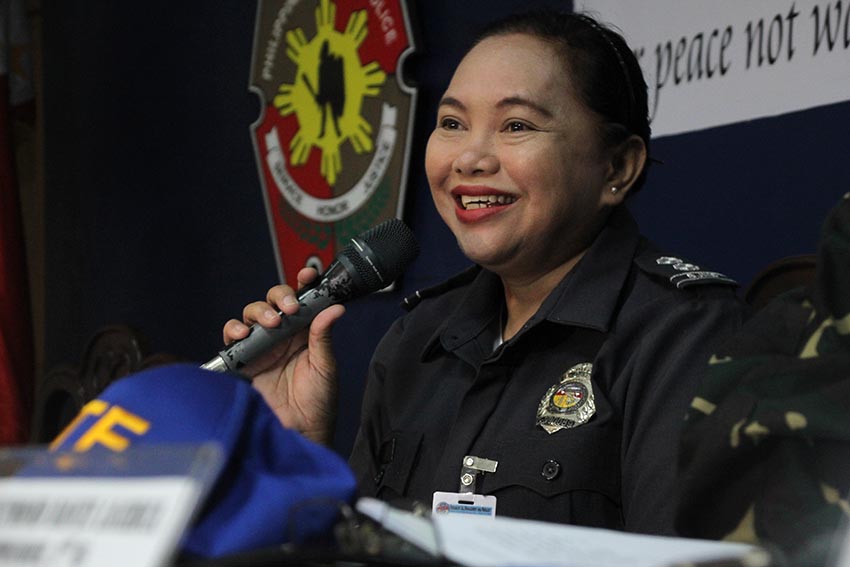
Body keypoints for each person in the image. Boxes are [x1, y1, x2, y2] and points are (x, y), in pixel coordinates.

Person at [222, 9, 747, 535]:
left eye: (516, 125)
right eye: (451, 123)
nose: (470, 158)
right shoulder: (415, 339)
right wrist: (294, 456)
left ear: (617, 168)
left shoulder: (686, 332)